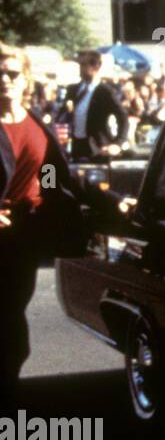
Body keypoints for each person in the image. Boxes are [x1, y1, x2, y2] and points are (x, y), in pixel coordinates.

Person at [1, 47, 123, 411]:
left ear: (25, 79)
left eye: (12, 74)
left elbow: (58, 176)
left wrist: (113, 200)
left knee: (12, 320)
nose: (5, 80)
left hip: (23, 237)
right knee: (6, 325)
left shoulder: (35, 123)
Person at [59, 50, 128, 160]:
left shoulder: (105, 91)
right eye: (80, 65)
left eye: (83, 64)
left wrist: (118, 143)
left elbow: (122, 116)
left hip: (98, 148)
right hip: (76, 147)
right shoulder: (73, 90)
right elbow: (62, 115)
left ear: (96, 66)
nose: (80, 68)